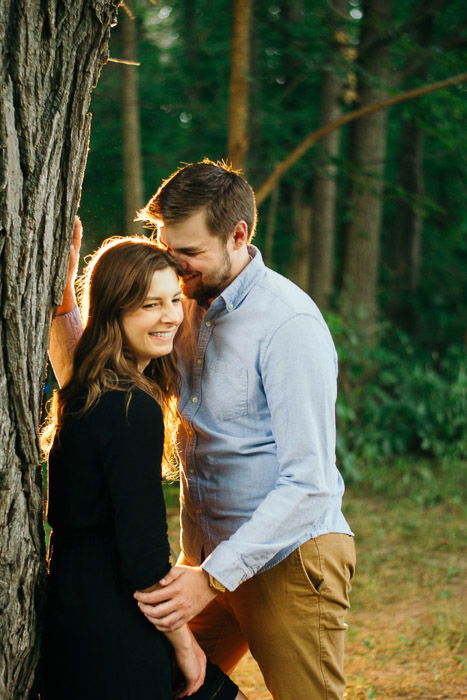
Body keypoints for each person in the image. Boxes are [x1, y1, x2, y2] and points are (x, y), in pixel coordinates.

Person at [50, 160, 356, 700]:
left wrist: (211, 577)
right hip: (207, 559)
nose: (176, 265)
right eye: (168, 249)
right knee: (176, 685)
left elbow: (310, 482)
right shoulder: (180, 304)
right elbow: (101, 381)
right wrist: (64, 306)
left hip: (286, 559)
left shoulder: (289, 325)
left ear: (237, 235)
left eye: (189, 252)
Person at [41, 235, 242, 700]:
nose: (170, 315)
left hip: (79, 609)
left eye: (174, 298)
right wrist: (186, 644)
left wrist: (65, 297)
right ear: (115, 313)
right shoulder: (130, 407)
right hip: (117, 627)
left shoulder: (89, 389)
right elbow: (143, 551)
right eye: (150, 304)